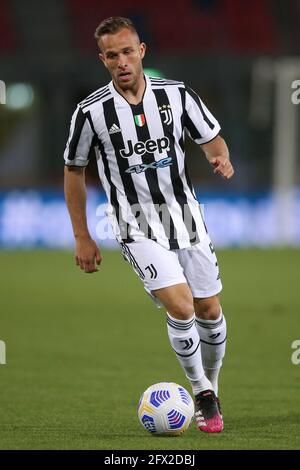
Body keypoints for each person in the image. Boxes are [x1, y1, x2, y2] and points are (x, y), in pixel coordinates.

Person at [64, 16, 234, 434]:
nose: (121, 61)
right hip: (133, 222)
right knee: (181, 305)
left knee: (208, 308)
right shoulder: (90, 113)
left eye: (127, 51)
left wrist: (220, 157)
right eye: (111, 55)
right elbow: (73, 171)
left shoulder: (177, 95)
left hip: (186, 216)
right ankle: (201, 393)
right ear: (102, 59)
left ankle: (211, 385)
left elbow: (211, 138)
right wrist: (82, 235)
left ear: (141, 52)